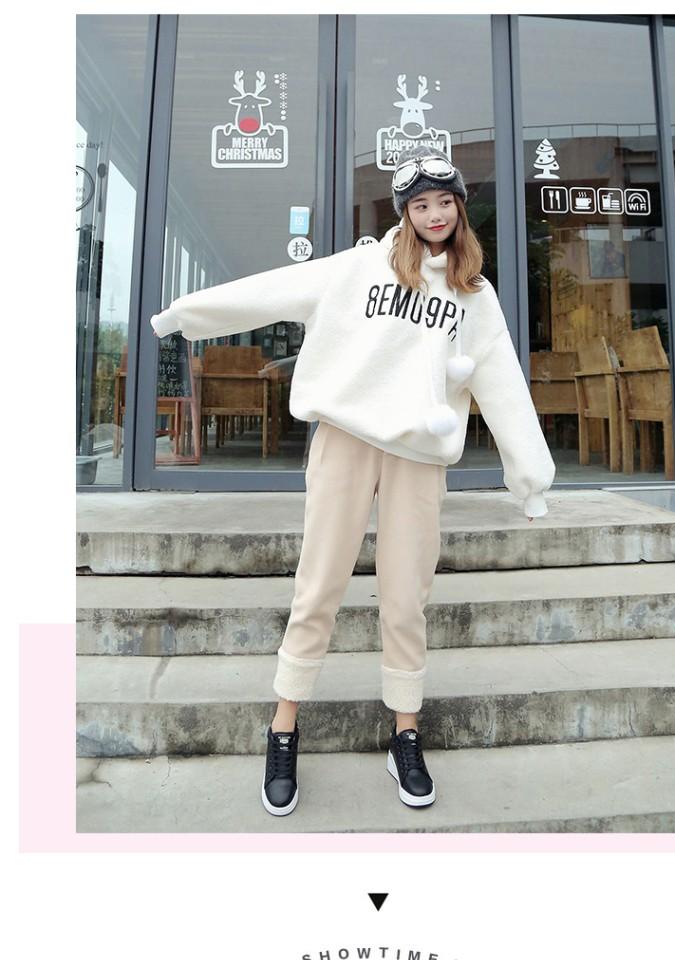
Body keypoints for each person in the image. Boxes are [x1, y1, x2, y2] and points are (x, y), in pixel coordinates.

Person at [151, 144, 556, 818]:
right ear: (404, 212)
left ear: (460, 208)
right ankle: (283, 728)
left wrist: (530, 478)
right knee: (318, 585)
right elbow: (271, 290)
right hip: (345, 439)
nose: (434, 214)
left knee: (406, 598)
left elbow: (503, 384)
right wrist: (186, 315)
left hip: (417, 457)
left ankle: (405, 734)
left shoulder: (474, 295)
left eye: (445, 202)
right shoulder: (361, 266)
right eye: (420, 204)